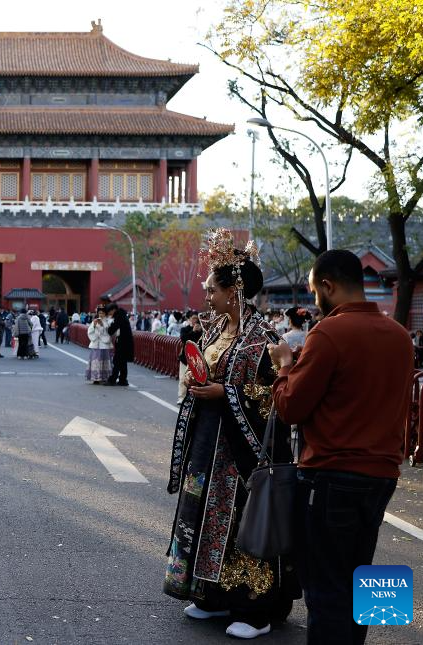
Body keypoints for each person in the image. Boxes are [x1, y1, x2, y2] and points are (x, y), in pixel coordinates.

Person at [269, 250, 413, 645]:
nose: (315, 300)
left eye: (315, 290)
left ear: (328, 286)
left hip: (332, 475)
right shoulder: (400, 336)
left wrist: (284, 366)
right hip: (382, 475)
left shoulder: (329, 333)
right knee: (363, 581)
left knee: (326, 588)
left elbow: (290, 407)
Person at [165, 229, 298, 640]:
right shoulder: (215, 329)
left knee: (241, 520)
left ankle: (254, 609)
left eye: (212, 289)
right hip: (207, 441)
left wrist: (226, 393)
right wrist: (197, 383)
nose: (207, 295)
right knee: (203, 514)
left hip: (241, 451)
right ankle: (211, 595)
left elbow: (272, 398)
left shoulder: (264, 339)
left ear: (234, 290)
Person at [177, 314, 204, 402]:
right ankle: (181, 397)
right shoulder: (184, 329)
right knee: (182, 378)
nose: (194, 320)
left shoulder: (202, 330)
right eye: (193, 318)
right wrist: (193, 331)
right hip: (185, 358)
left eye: (196, 318)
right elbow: (184, 339)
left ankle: (193, 398)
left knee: (195, 380)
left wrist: (200, 331)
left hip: (196, 359)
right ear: (189, 319)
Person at [106, 303, 133, 386]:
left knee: (117, 361)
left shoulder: (119, 316)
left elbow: (112, 329)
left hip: (122, 342)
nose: (110, 314)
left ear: (113, 310)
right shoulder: (122, 315)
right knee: (122, 362)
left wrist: (108, 327)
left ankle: (112, 380)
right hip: (126, 341)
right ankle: (123, 380)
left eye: (110, 312)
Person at [85, 305, 113, 383]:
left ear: (105, 314)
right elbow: (89, 331)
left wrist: (102, 325)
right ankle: (95, 378)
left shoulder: (108, 321)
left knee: (104, 361)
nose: (101, 315)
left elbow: (109, 332)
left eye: (102, 313)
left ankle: (105, 377)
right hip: (96, 344)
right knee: (95, 361)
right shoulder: (95, 321)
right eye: (99, 313)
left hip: (104, 344)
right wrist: (94, 326)